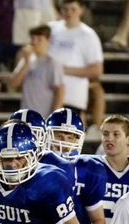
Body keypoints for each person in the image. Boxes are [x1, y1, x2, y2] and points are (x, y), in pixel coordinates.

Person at [48, 0, 103, 129]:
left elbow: (96, 70)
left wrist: (64, 70)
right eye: (65, 9)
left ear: (81, 11)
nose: (68, 13)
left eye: (73, 9)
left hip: (72, 96)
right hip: (47, 95)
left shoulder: (88, 35)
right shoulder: (51, 29)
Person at [10, 24, 65, 119]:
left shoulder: (52, 63)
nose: (34, 42)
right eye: (32, 38)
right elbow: (14, 84)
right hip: (26, 115)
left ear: (48, 41)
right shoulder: (26, 60)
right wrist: (26, 63)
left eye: (39, 39)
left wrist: (55, 115)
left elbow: (59, 90)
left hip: (44, 115)